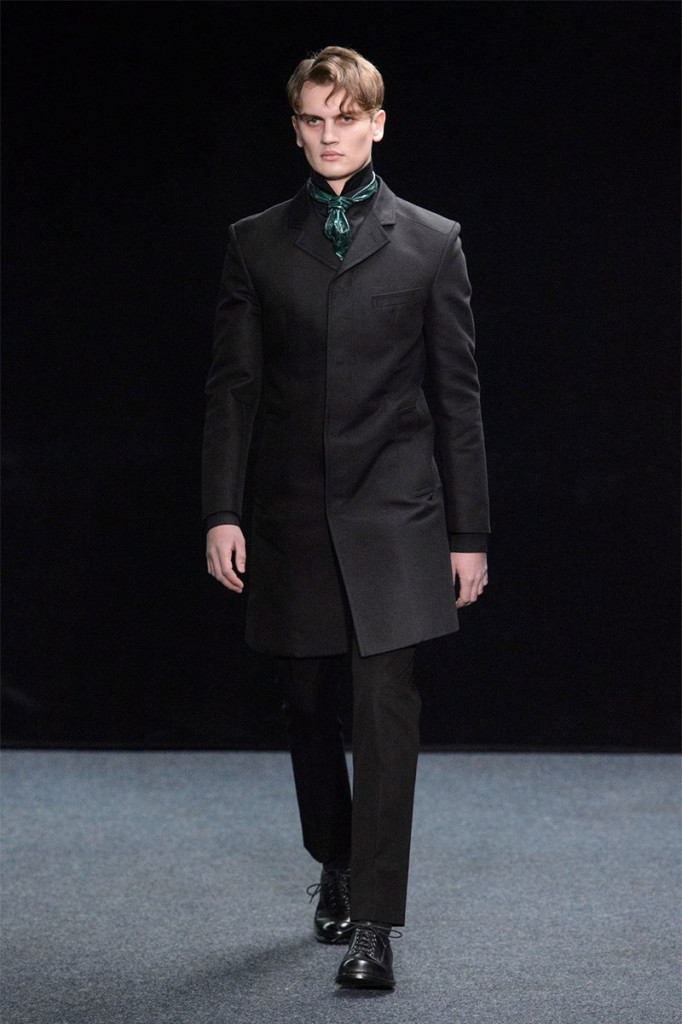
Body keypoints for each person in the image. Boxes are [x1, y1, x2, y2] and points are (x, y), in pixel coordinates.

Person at [202, 46, 489, 990]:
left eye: (346, 117)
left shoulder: (432, 242)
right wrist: (221, 509)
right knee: (308, 704)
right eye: (313, 120)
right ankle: (333, 855)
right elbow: (234, 390)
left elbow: (457, 398)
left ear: (377, 124)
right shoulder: (256, 242)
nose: (330, 135)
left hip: (397, 516)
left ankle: (374, 922)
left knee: (385, 708)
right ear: (296, 130)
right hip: (290, 515)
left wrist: (469, 534)